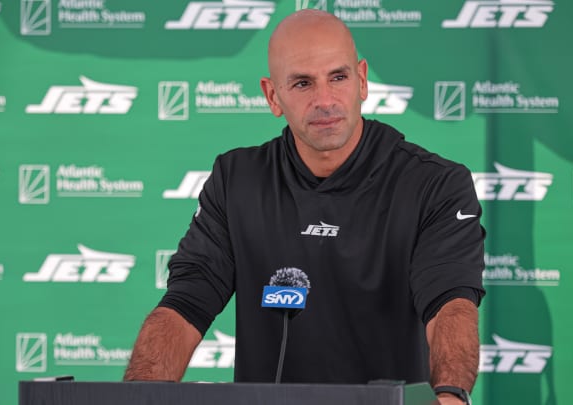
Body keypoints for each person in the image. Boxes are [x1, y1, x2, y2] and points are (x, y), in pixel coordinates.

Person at [125, 9, 485, 405]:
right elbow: (184, 306)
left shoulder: (434, 184)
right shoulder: (236, 180)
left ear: (362, 79)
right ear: (272, 96)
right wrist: (136, 396)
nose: (325, 100)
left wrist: (450, 397)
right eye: (302, 83)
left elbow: (451, 307)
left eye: (338, 77)